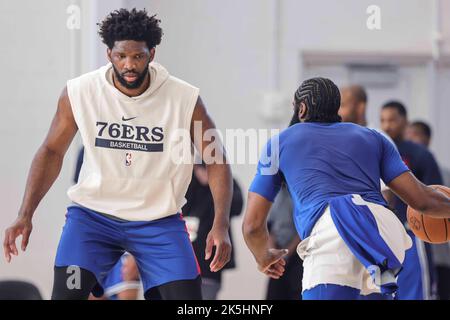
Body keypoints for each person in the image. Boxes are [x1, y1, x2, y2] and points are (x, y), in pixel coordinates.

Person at [3, 8, 233, 300]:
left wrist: (220, 224)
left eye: (137, 56)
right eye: (121, 56)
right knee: (67, 294)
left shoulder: (184, 98)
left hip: (158, 222)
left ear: (152, 54)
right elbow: (51, 151)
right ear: (108, 54)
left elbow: (216, 159)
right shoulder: (80, 92)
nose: (129, 65)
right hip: (92, 219)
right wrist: (25, 214)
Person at [243, 77, 450, 300]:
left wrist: (262, 256)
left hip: (333, 232)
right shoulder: (374, 137)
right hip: (381, 234)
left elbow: (253, 226)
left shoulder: (279, 143)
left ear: (301, 109)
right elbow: (423, 200)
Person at [381, 102, 442, 300]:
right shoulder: (375, 149)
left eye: (392, 120)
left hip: (413, 232)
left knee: (417, 292)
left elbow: (436, 192)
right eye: (383, 120)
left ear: (404, 121)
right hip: (383, 236)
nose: (387, 125)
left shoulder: (420, 154)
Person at [182, 163, 243, 300]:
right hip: (183, 260)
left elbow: (237, 207)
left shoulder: (227, 180)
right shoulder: (184, 180)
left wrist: (213, 182)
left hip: (210, 264)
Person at [405, 120, 450, 300]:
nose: (410, 140)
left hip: (440, 251)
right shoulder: (402, 175)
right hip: (416, 247)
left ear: (427, 139)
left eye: (415, 135)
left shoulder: (442, 173)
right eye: (408, 136)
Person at [265, 185, 302, 300]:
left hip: (297, 255)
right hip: (277, 254)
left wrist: (287, 252)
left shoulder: (299, 194)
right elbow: (268, 226)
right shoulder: (274, 194)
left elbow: (303, 229)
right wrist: (273, 251)